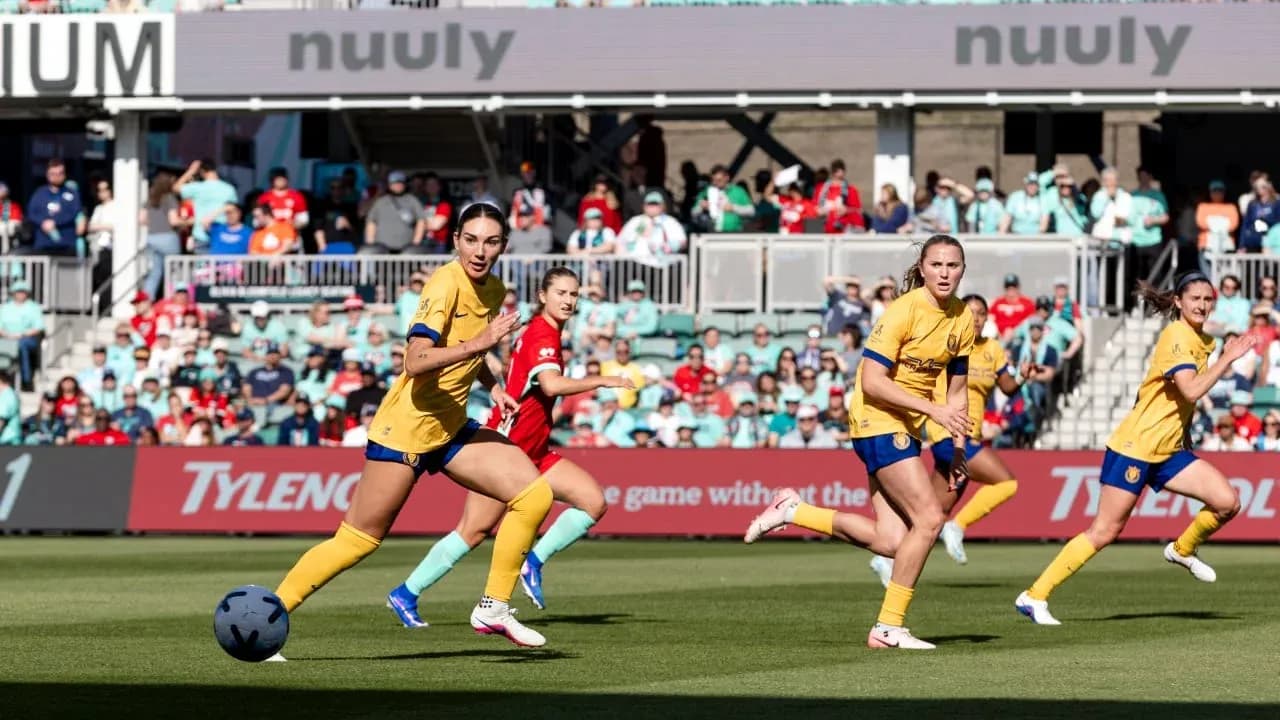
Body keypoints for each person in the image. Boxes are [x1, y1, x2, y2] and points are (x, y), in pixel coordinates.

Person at [268, 202, 553, 656]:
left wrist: (492, 384)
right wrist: (482, 343)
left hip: (450, 425)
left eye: (492, 241)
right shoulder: (444, 285)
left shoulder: (494, 289)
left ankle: (493, 606)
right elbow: (416, 360)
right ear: (456, 240)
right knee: (357, 542)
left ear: (503, 245)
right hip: (404, 430)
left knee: (534, 494)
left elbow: (464, 350)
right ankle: (267, 616)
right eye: (472, 239)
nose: (480, 250)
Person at [743, 234, 975, 651]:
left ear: (962, 270)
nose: (944, 272)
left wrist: (958, 447)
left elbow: (957, 392)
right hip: (876, 418)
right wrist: (932, 408)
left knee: (890, 540)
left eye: (953, 265)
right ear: (922, 268)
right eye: (936, 264)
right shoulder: (902, 311)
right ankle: (889, 625)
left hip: (907, 424)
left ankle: (794, 510)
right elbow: (872, 380)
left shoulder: (961, 319)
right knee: (929, 519)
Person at [388, 267, 635, 624]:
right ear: (542, 296)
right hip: (507, 448)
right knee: (472, 531)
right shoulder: (540, 334)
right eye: (561, 293)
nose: (568, 300)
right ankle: (406, 593)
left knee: (593, 503)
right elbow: (550, 385)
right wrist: (604, 379)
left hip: (534, 449)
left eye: (573, 294)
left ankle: (532, 562)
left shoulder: (547, 333)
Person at [1016, 273, 1256, 626]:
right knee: (1105, 531)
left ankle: (1182, 549)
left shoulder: (1202, 340)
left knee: (1227, 502)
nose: (1202, 305)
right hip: (1136, 447)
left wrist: (1184, 430)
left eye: (1208, 299)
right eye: (1195, 299)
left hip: (1169, 449)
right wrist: (1228, 358)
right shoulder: (1176, 335)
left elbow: (1163, 396)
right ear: (1178, 301)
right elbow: (1190, 391)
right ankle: (1034, 596)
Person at [867, 295, 1033, 584]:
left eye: (983, 313)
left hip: (970, 434)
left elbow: (1006, 387)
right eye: (972, 312)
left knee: (931, 513)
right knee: (1007, 482)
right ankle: (959, 526)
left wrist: (1021, 377)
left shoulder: (992, 349)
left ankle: (885, 558)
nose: (978, 318)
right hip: (947, 432)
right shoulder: (949, 341)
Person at [174, 158, 237, 253]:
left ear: (202, 172)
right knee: (221, 267)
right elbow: (233, 209)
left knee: (201, 268)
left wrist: (191, 171)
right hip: (222, 234)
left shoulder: (197, 187)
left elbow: (176, 188)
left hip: (200, 234)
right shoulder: (229, 189)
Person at [0, 282, 44, 391]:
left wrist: (22, 334)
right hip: (6, 338)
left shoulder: (33, 307)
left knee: (21, 347)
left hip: (26, 339)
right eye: (18, 292)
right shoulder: (5, 307)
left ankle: (26, 380)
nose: (20, 294)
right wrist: (9, 335)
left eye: (23, 292)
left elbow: (38, 327)